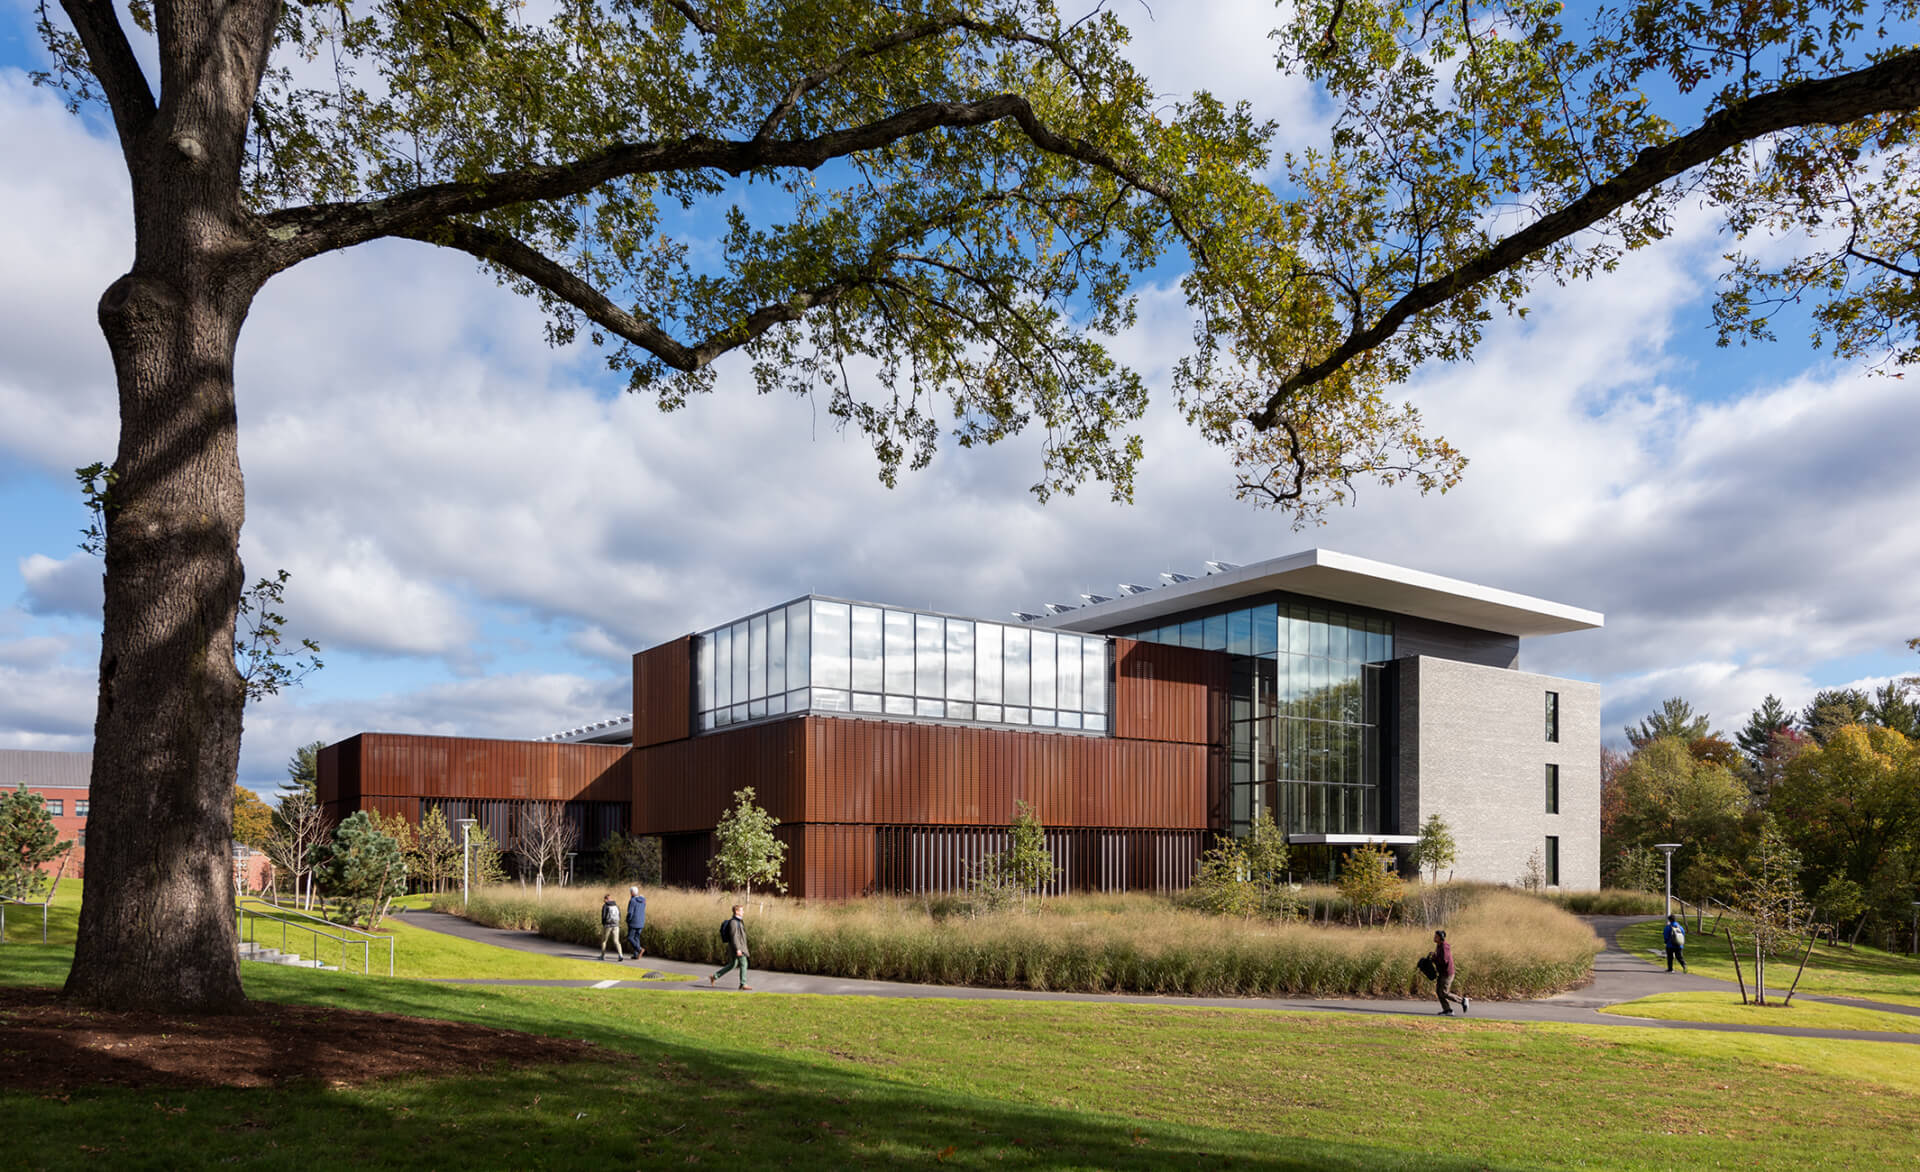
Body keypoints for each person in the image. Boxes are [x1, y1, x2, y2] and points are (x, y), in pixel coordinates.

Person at [710, 902, 751, 990]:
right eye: (741, 910)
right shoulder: (734, 922)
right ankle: (743, 984)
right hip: (737, 948)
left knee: (733, 964)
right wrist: (738, 949)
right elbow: (734, 937)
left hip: (738, 947)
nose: (743, 912)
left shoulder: (739, 921)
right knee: (744, 963)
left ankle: (714, 976)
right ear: (736, 912)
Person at [1429, 929, 1470, 1015]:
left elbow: (1444, 960)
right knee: (1438, 991)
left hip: (1447, 973)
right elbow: (1440, 958)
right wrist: (1434, 955)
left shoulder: (1444, 947)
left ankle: (1462, 1000)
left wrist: (1434, 959)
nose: (1434, 937)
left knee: (1444, 992)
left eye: (1436, 936)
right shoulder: (1439, 945)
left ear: (1441, 938)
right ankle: (1447, 1010)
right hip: (1442, 972)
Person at [598, 893, 626, 962]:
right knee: (616, 941)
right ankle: (620, 955)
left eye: (604, 899)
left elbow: (603, 917)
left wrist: (603, 924)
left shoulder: (605, 906)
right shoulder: (616, 905)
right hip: (616, 925)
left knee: (604, 941)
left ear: (606, 899)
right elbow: (619, 915)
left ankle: (602, 956)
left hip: (607, 925)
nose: (603, 900)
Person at [625, 885, 647, 959]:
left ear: (632, 892)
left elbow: (630, 912)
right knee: (637, 938)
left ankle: (640, 949)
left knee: (630, 937)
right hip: (641, 922)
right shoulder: (643, 900)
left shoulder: (632, 901)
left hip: (634, 922)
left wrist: (627, 920)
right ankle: (636, 955)